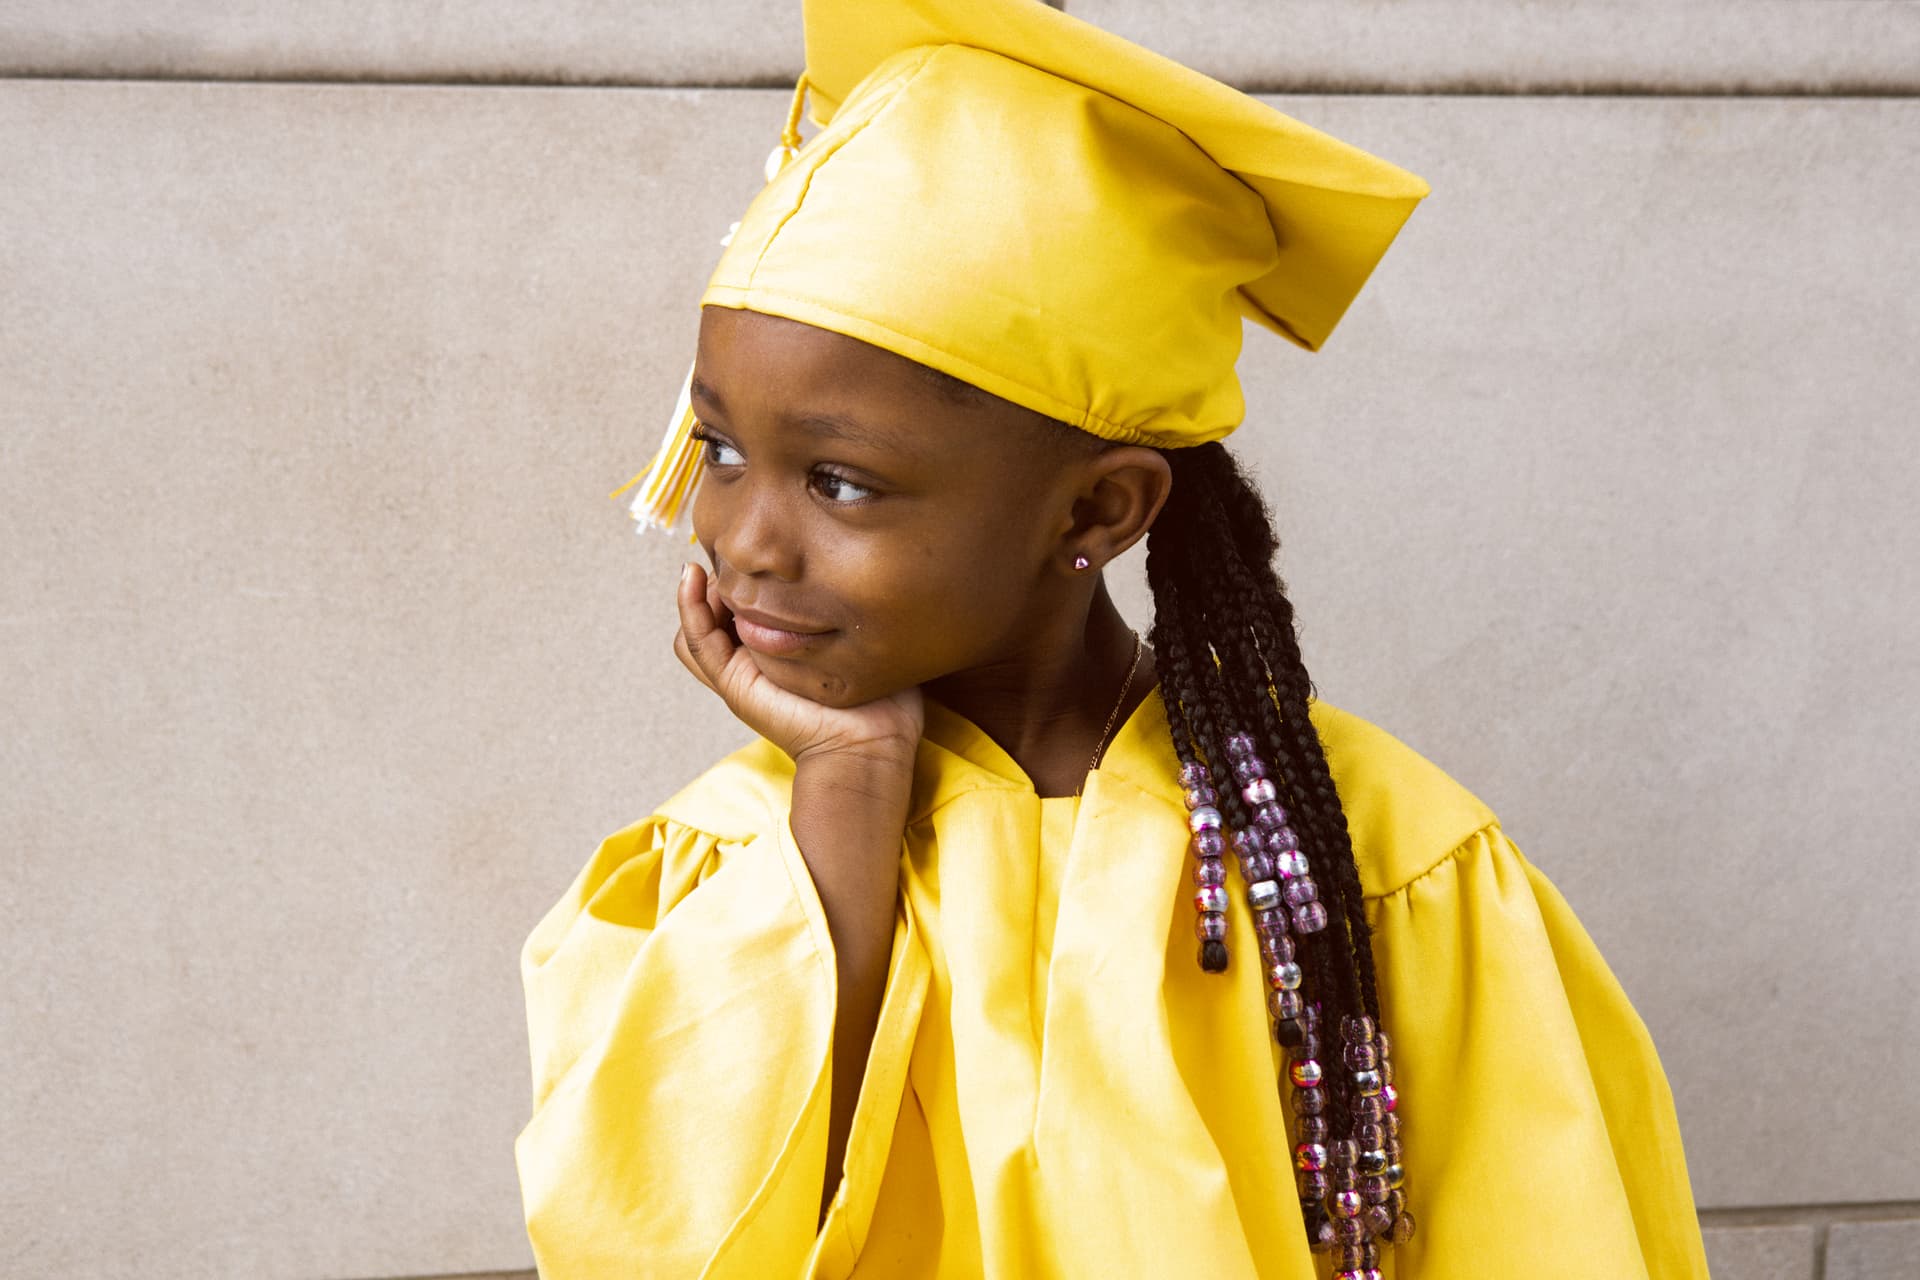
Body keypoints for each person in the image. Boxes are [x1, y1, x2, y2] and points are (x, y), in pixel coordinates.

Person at [513, 0, 1711, 1276]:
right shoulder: (735, 868)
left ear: (1098, 508)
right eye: (725, 451)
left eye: (841, 481)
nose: (746, 538)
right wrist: (848, 791)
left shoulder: (1369, 863)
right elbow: (665, 1243)